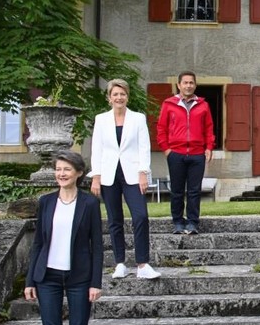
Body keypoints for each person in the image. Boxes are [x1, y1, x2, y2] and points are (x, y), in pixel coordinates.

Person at [24, 151, 103, 325]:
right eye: (58, 169)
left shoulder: (90, 204)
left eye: (67, 169)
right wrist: (30, 280)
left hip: (80, 278)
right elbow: (37, 244)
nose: (61, 173)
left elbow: (97, 247)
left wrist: (96, 282)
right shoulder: (45, 202)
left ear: (79, 173)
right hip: (47, 278)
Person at [90, 79, 160, 279]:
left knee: (140, 216)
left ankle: (142, 264)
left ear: (127, 96)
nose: (119, 98)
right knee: (114, 220)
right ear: (109, 98)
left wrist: (143, 173)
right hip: (109, 175)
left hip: (132, 175)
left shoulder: (138, 118)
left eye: (122, 94)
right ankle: (120, 262)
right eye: (115, 94)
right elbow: (97, 149)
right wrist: (96, 176)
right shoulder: (101, 119)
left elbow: (144, 147)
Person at [157, 71, 215, 235]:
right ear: (179, 85)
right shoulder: (169, 104)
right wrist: (167, 149)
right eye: (185, 83)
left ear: (195, 85)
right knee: (177, 190)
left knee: (194, 190)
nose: (188, 85)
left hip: (197, 154)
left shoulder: (203, 105)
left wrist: (209, 147)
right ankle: (177, 222)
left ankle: (192, 222)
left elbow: (209, 128)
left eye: (191, 83)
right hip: (176, 153)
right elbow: (161, 128)